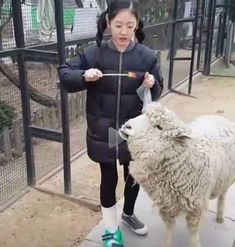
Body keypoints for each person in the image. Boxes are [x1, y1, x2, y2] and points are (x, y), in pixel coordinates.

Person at [58, 1, 163, 246]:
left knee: (133, 175)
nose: (124, 32)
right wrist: (84, 75)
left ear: (136, 25)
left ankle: (127, 214)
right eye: (118, 25)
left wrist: (151, 85)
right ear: (108, 24)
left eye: (129, 25)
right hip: (103, 130)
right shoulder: (93, 53)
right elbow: (65, 74)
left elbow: (157, 91)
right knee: (108, 177)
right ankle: (109, 228)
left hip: (133, 131)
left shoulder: (146, 56)